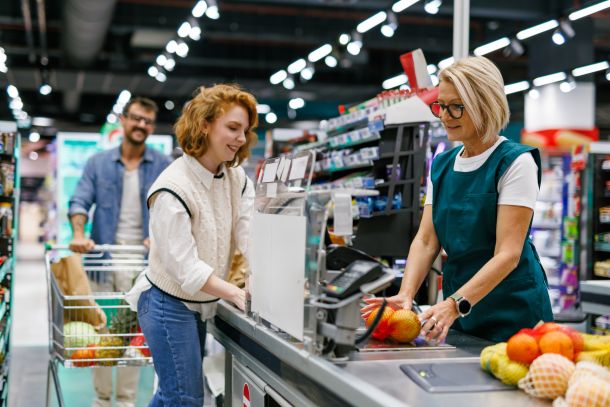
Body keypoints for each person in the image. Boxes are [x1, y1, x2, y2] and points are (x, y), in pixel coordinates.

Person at [361, 56, 553, 344]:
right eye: (441, 105)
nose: (445, 116)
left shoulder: (515, 163)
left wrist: (454, 303)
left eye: (456, 107)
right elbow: (426, 240)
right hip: (460, 311)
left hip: (513, 313)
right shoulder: (442, 165)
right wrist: (406, 293)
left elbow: (508, 254)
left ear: (484, 105)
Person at [126, 84, 257, 406]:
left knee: (173, 393)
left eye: (246, 130)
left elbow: (249, 231)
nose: (241, 138)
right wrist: (237, 293)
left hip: (197, 303)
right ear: (204, 124)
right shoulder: (172, 188)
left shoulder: (236, 178)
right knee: (185, 398)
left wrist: (259, 270)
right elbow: (185, 269)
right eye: (232, 128)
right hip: (167, 304)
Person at [68, 96, 171, 407]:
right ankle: (101, 400)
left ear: (151, 127)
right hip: (103, 261)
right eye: (137, 118)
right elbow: (80, 201)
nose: (141, 125)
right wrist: (77, 233)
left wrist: (161, 236)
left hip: (143, 266)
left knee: (131, 338)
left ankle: (125, 402)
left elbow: (172, 209)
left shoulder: (163, 166)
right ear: (123, 120)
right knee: (102, 335)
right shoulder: (98, 163)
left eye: (148, 121)